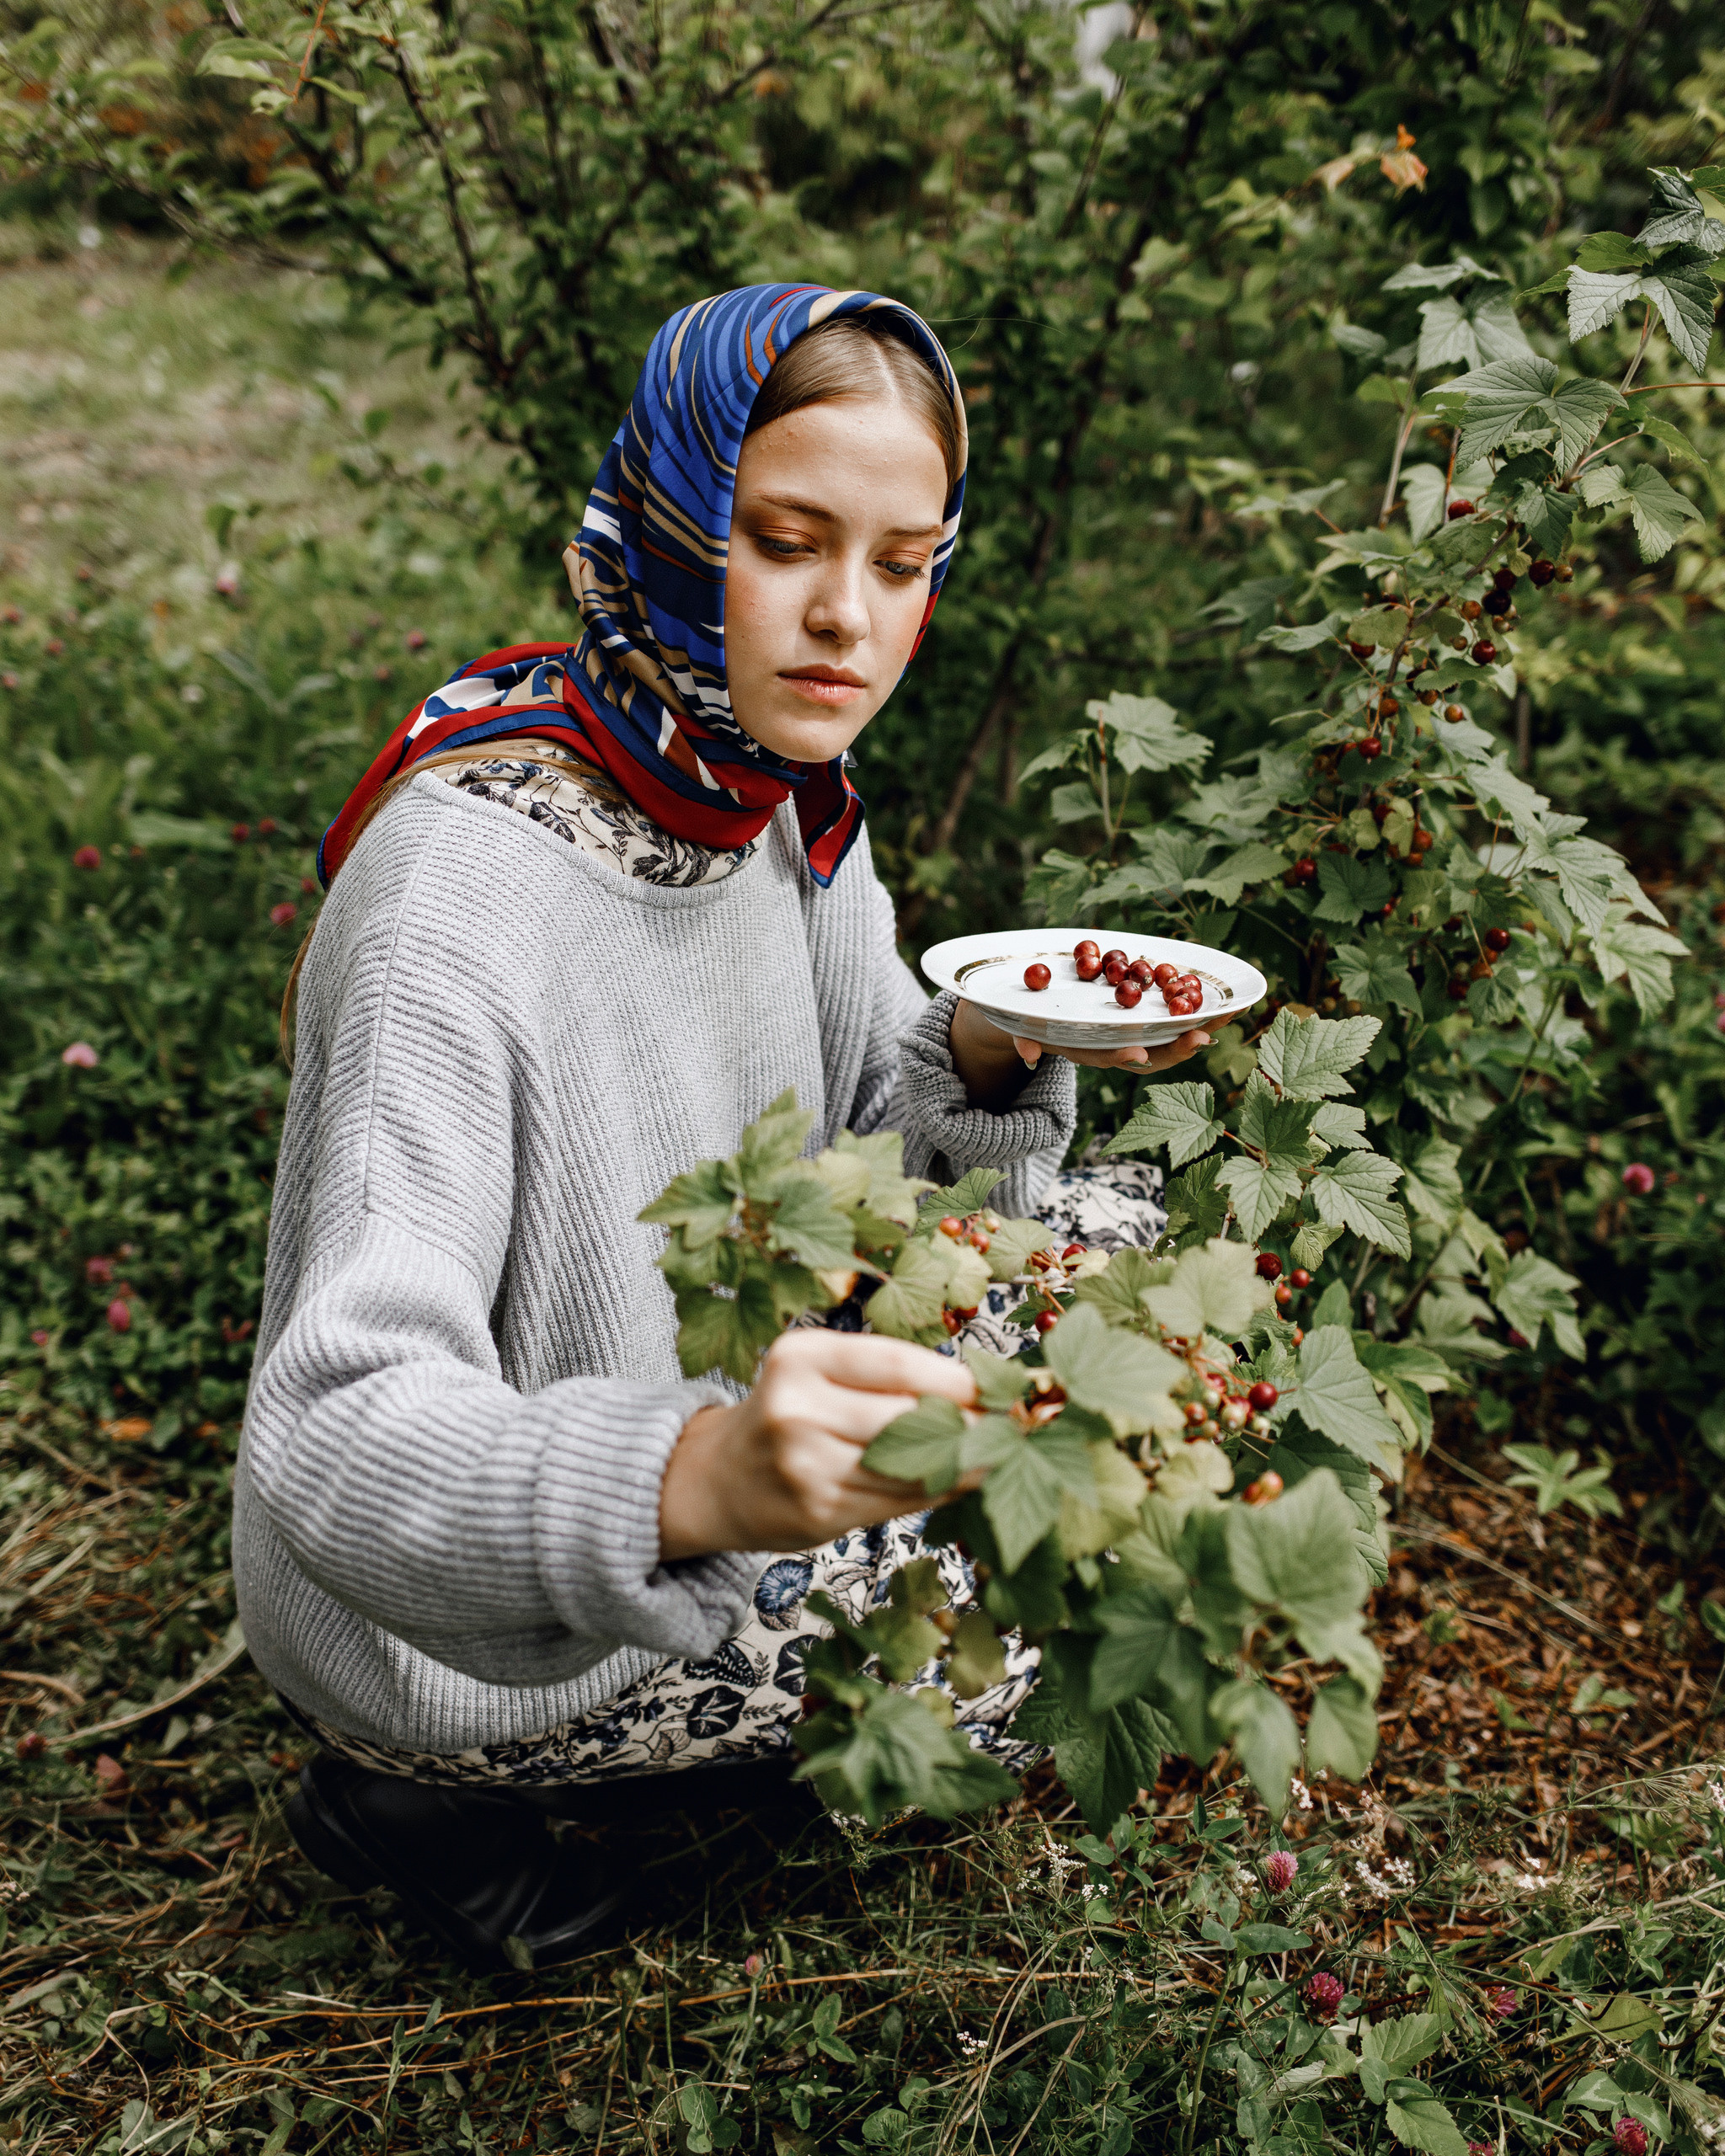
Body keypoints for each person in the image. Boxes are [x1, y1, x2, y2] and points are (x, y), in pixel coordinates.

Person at [238, 285, 1210, 1971]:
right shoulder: (455, 900)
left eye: (901, 564)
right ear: (684, 518)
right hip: (456, 1622)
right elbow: (329, 1438)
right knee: (1047, 1600)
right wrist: (695, 1473)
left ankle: (733, 1732)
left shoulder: (769, 795)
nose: (846, 616)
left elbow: (871, 1183)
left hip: (709, 1437)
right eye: (785, 539)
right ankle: (433, 1804)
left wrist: (978, 1051)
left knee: (1138, 1283)